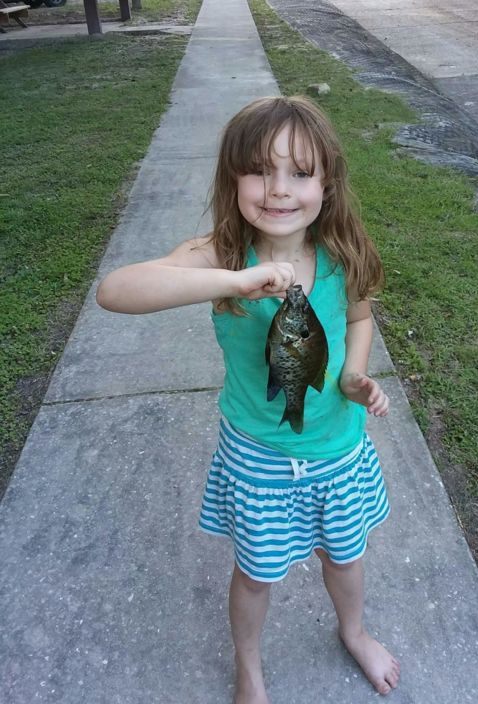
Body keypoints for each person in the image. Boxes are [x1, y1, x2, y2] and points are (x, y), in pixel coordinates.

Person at [96, 96, 399, 703]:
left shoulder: (343, 253)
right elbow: (116, 290)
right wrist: (233, 282)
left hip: (338, 448)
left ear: (327, 183)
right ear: (232, 177)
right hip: (257, 456)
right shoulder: (224, 255)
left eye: (300, 172)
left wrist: (352, 377)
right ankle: (250, 668)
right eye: (260, 170)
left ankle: (354, 630)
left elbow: (359, 319)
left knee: (345, 558)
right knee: (256, 575)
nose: (279, 189)